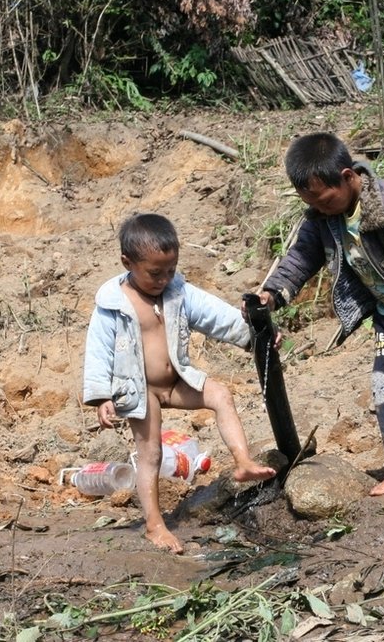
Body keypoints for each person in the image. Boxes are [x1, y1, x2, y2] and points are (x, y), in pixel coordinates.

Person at [249, 133, 384, 501]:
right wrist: (272, 293)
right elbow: (301, 257)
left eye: (324, 200)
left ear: (348, 177)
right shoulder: (322, 216)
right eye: (311, 203)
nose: (320, 209)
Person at [83, 213, 276, 553]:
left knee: (220, 394)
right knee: (151, 452)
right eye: (154, 273)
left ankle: (243, 462)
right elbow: (98, 351)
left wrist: (256, 336)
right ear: (127, 263)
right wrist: (101, 397)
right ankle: (154, 525)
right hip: (141, 390)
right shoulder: (112, 304)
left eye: (170, 270)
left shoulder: (178, 292)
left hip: (177, 380)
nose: (163, 279)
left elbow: (216, 316)